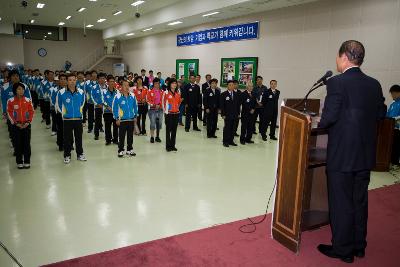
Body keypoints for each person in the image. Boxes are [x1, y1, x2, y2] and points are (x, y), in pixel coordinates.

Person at [317, 40, 386, 263]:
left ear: (345, 57)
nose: (336, 61)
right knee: (359, 201)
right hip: (365, 155)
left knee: (341, 203)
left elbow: (328, 118)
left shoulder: (337, 83)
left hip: (342, 156)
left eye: (337, 57)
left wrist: (316, 120)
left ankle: (343, 250)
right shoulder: (374, 84)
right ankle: (358, 245)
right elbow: (379, 114)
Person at [56, 74, 87, 164]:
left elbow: (82, 103)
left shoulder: (81, 92)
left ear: (76, 81)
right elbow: (58, 105)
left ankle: (80, 154)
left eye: (74, 80)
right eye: (70, 80)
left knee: (79, 138)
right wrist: (65, 113)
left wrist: (79, 112)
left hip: (78, 119)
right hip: (67, 120)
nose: (72, 82)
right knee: (67, 139)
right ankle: (67, 155)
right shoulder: (61, 92)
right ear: (67, 81)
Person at [7, 82, 34, 169]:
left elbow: (31, 111)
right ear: (15, 90)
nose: (21, 91)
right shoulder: (10, 101)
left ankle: (27, 161)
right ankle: (19, 161)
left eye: (22, 89)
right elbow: (9, 113)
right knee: (17, 144)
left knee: (27, 144)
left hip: (26, 125)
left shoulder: (27, 100)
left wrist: (28, 122)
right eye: (19, 89)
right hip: (16, 126)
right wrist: (15, 123)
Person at [113, 80, 138, 158]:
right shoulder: (117, 96)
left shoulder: (133, 95)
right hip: (122, 120)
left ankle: (129, 150)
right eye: (125, 85)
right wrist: (117, 118)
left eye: (128, 85)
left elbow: (135, 106)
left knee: (130, 136)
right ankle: (120, 150)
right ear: (121, 87)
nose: (127, 87)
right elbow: (115, 108)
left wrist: (135, 116)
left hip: (131, 119)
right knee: (121, 136)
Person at [162, 78, 181, 152]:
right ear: (169, 84)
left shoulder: (178, 94)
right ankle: (168, 146)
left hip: (176, 114)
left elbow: (179, 103)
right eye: (173, 83)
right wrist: (166, 112)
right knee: (168, 130)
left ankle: (173, 145)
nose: (174, 85)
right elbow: (163, 103)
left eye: (175, 83)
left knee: (174, 131)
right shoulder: (166, 93)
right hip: (169, 114)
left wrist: (177, 109)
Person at [220, 80, 239, 147]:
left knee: (233, 128)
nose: (231, 86)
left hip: (234, 114)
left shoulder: (236, 94)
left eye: (232, 85)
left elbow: (238, 105)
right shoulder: (223, 94)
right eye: (230, 85)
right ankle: (225, 141)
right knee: (227, 128)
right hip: (227, 115)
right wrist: (223, 114)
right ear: (227, 86)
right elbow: (222, 105)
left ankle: (231, 141)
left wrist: (238, 113)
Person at [103, 75, 119, 145]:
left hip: (115, 112)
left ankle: (115, 139)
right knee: (107, 126)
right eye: (110, 81)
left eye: (113, 81)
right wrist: (108, 107)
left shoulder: (117, 91)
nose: (112, 83)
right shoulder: (104, 91)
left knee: (116, 126)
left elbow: (118, 101)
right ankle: (108, 140)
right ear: (108, 82)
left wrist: (115, 109)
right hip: (107, 112)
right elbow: (103, 100)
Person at [147, 78, 164, 143]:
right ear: (153, 84)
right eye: (156, 83)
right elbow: (148, 100)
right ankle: (152, 136)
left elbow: (163, 100)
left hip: (160, 109)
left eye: (158, 83)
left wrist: (159, 105)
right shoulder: (150, 91)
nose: (157, 85)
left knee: (159, 123)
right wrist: (154, 105)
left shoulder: (162, 92)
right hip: (152, 110)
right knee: (153, 123)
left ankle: (157, 136)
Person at [387, 84, 400, 166]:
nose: (392, 96)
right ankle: (391, 162)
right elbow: (387, 115)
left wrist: (393, 119)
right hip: (390, 128)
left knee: (397, 146)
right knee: (391, 146)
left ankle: (396, 163)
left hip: (398, 129)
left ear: (398, 93)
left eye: (393, 94)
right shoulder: (392, 104)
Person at [53, 74, 67, 151]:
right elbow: (53, 101)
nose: (63, 81)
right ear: (58, 81)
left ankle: (69, 144)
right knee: (60, 129)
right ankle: (61, 144)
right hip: (59, 113)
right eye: (61, 79)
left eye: (65, 79)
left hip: (68, 114)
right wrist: (60, 110)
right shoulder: (56, 90)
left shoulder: (69, 90)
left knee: (68, 130)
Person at [91, 72, 106, 140]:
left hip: (106, 107)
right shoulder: (94, 87)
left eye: (103, 78)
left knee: (107, 121)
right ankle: (96, 134)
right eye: (100, 78)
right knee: (97, 121)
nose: (102, 80)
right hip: (98, 107)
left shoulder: (107, 87)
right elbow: (92, 96)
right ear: (98, 79)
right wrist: (97, 104)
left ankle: (107, 135)